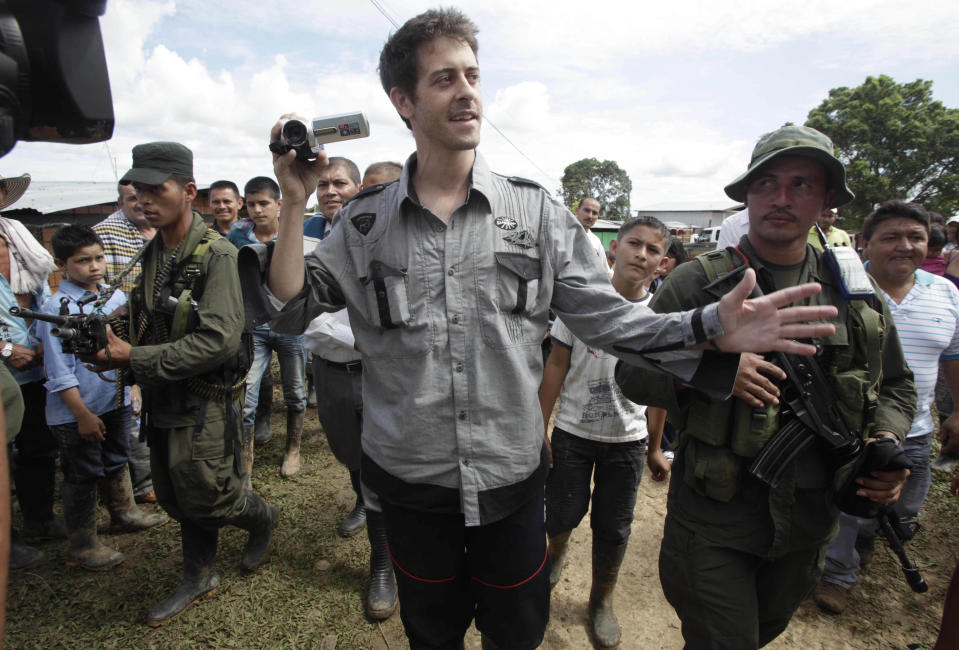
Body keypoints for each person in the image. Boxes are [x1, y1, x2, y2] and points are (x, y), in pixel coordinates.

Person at [263, 11, 838, 648]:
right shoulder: (366, 224)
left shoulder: (534, 211)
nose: (466, 92)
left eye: (473, 75)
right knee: (431, 629)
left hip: (510, 478)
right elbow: (290, 307)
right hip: (409, 479)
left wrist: (706, 325)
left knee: (518, 628)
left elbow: (608, 319)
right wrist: (293, 201)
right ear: (403, 101)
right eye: (443, 79)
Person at [615, 124, 916, 649]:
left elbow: (896, 386)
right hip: (716, 520)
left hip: (808, 524)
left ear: (826, 200)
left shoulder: (856, 292)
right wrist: (715, 367)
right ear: (747, 195)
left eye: (801, 184)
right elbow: (631, 371)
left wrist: (884, 447)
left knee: (762, 632)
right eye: (767, 183)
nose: (781, 198)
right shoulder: (697, 282)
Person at [84, 142, 279, 626]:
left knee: (212, 492)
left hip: (206, 399)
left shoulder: (218, 255)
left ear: (188, 192)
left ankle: (262, 517)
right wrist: (112, 346)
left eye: (157, 189)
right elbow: (146, 319)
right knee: (174, 491)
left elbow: (217, 340)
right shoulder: (155, 253)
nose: (145, 199)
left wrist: (136, 357)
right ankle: (200, 574)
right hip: (164, 394)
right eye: (138, 190)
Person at [816, 200, 959, 613]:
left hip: (915, 429)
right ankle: (837, 574)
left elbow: (952, 356)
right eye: (891, 237)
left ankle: (869, 537)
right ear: (866, 243)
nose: (905, 246)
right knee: (846, 504)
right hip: (852, 429)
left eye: (915, 237)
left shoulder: (946, 294)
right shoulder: (842, 291)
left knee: (906, 502)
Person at [540, 215, 671, 647]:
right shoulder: (583, 305)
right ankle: (554, 557)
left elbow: (658, 388)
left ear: (662, 263)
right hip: (574, 435)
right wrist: (540, 427)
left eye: (653, 250)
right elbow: (556, 364)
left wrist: (655, 447)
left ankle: (600, 599)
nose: (642, 254)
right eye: (635, 243)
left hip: (627, 443)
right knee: (561, 512)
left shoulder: (658, 317)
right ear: (614, 249)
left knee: (614, 527)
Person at [302, 158, 401, 619]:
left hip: (377, 372)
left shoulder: (383, 236)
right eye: (321, 184)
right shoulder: (300, 239)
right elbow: (301, 313)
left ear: (359, 188)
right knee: (353, 456)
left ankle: (383, 560)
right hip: (330, 371)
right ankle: (365, 502)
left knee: (385, 462)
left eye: (339, 182)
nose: (329, 190)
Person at [38, 225, 167, 570]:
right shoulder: (58, 309)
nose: (95, 266)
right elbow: (58, 370)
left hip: (115, 399)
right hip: (78, 411)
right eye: (83, 261)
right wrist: (81, 415)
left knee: (116, 457)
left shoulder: (114, 299)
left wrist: (133, 388)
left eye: (99, 258)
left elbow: (128, 350)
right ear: (61, 264)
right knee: (82, 472)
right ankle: (82, 542)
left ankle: (124, 511)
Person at [0, 173, 61, 570]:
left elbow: (42, 292)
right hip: (4, 367)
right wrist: (4, 348)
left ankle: (39, 518)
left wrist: (45, 341)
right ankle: (7, 540)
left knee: (39, 445)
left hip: (36, 362)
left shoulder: (17, 236)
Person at [228, 177, 307, 479]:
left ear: (279, 204)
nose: (257, 210)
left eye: (264, 203)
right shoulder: (237, 235)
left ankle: (293, 449)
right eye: (251, 204)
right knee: (246, 394)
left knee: (295, 392)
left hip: (290, 325)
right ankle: (245, 465)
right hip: (254, 327)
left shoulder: (293, 232)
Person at [94, 183, 157, 504]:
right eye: (132, 198)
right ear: (120, 201)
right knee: (130, 411)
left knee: (150, 406)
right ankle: (140, 485)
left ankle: (150, 475)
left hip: (156, 334)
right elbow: (97, 288)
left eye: (145, 197)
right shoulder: (104, 233)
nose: (140, 203)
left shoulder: (160, 229)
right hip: (121, 336)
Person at [575, 197, 610, 274]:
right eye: (587, 210)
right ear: (577, 210)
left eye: (594, 213)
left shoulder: (595, 241)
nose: (590, 216)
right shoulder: (562, 234)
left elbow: (605, 271)